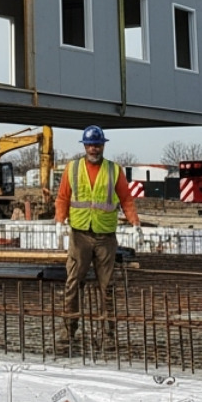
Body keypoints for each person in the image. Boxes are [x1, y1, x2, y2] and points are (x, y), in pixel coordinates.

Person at [54, 124, 140, 350]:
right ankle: (68, 331)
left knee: (107, 286)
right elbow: (63, 197)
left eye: (97, 144)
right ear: (85, 146)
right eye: (90, 145)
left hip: (105, 236)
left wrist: (135, 222)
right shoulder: (72, 169)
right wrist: (59, 221)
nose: (94, 149)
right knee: (73, 283)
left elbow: (126, 199)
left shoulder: (114, 170)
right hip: (80, 234)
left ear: (103, 146)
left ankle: (108, 335)